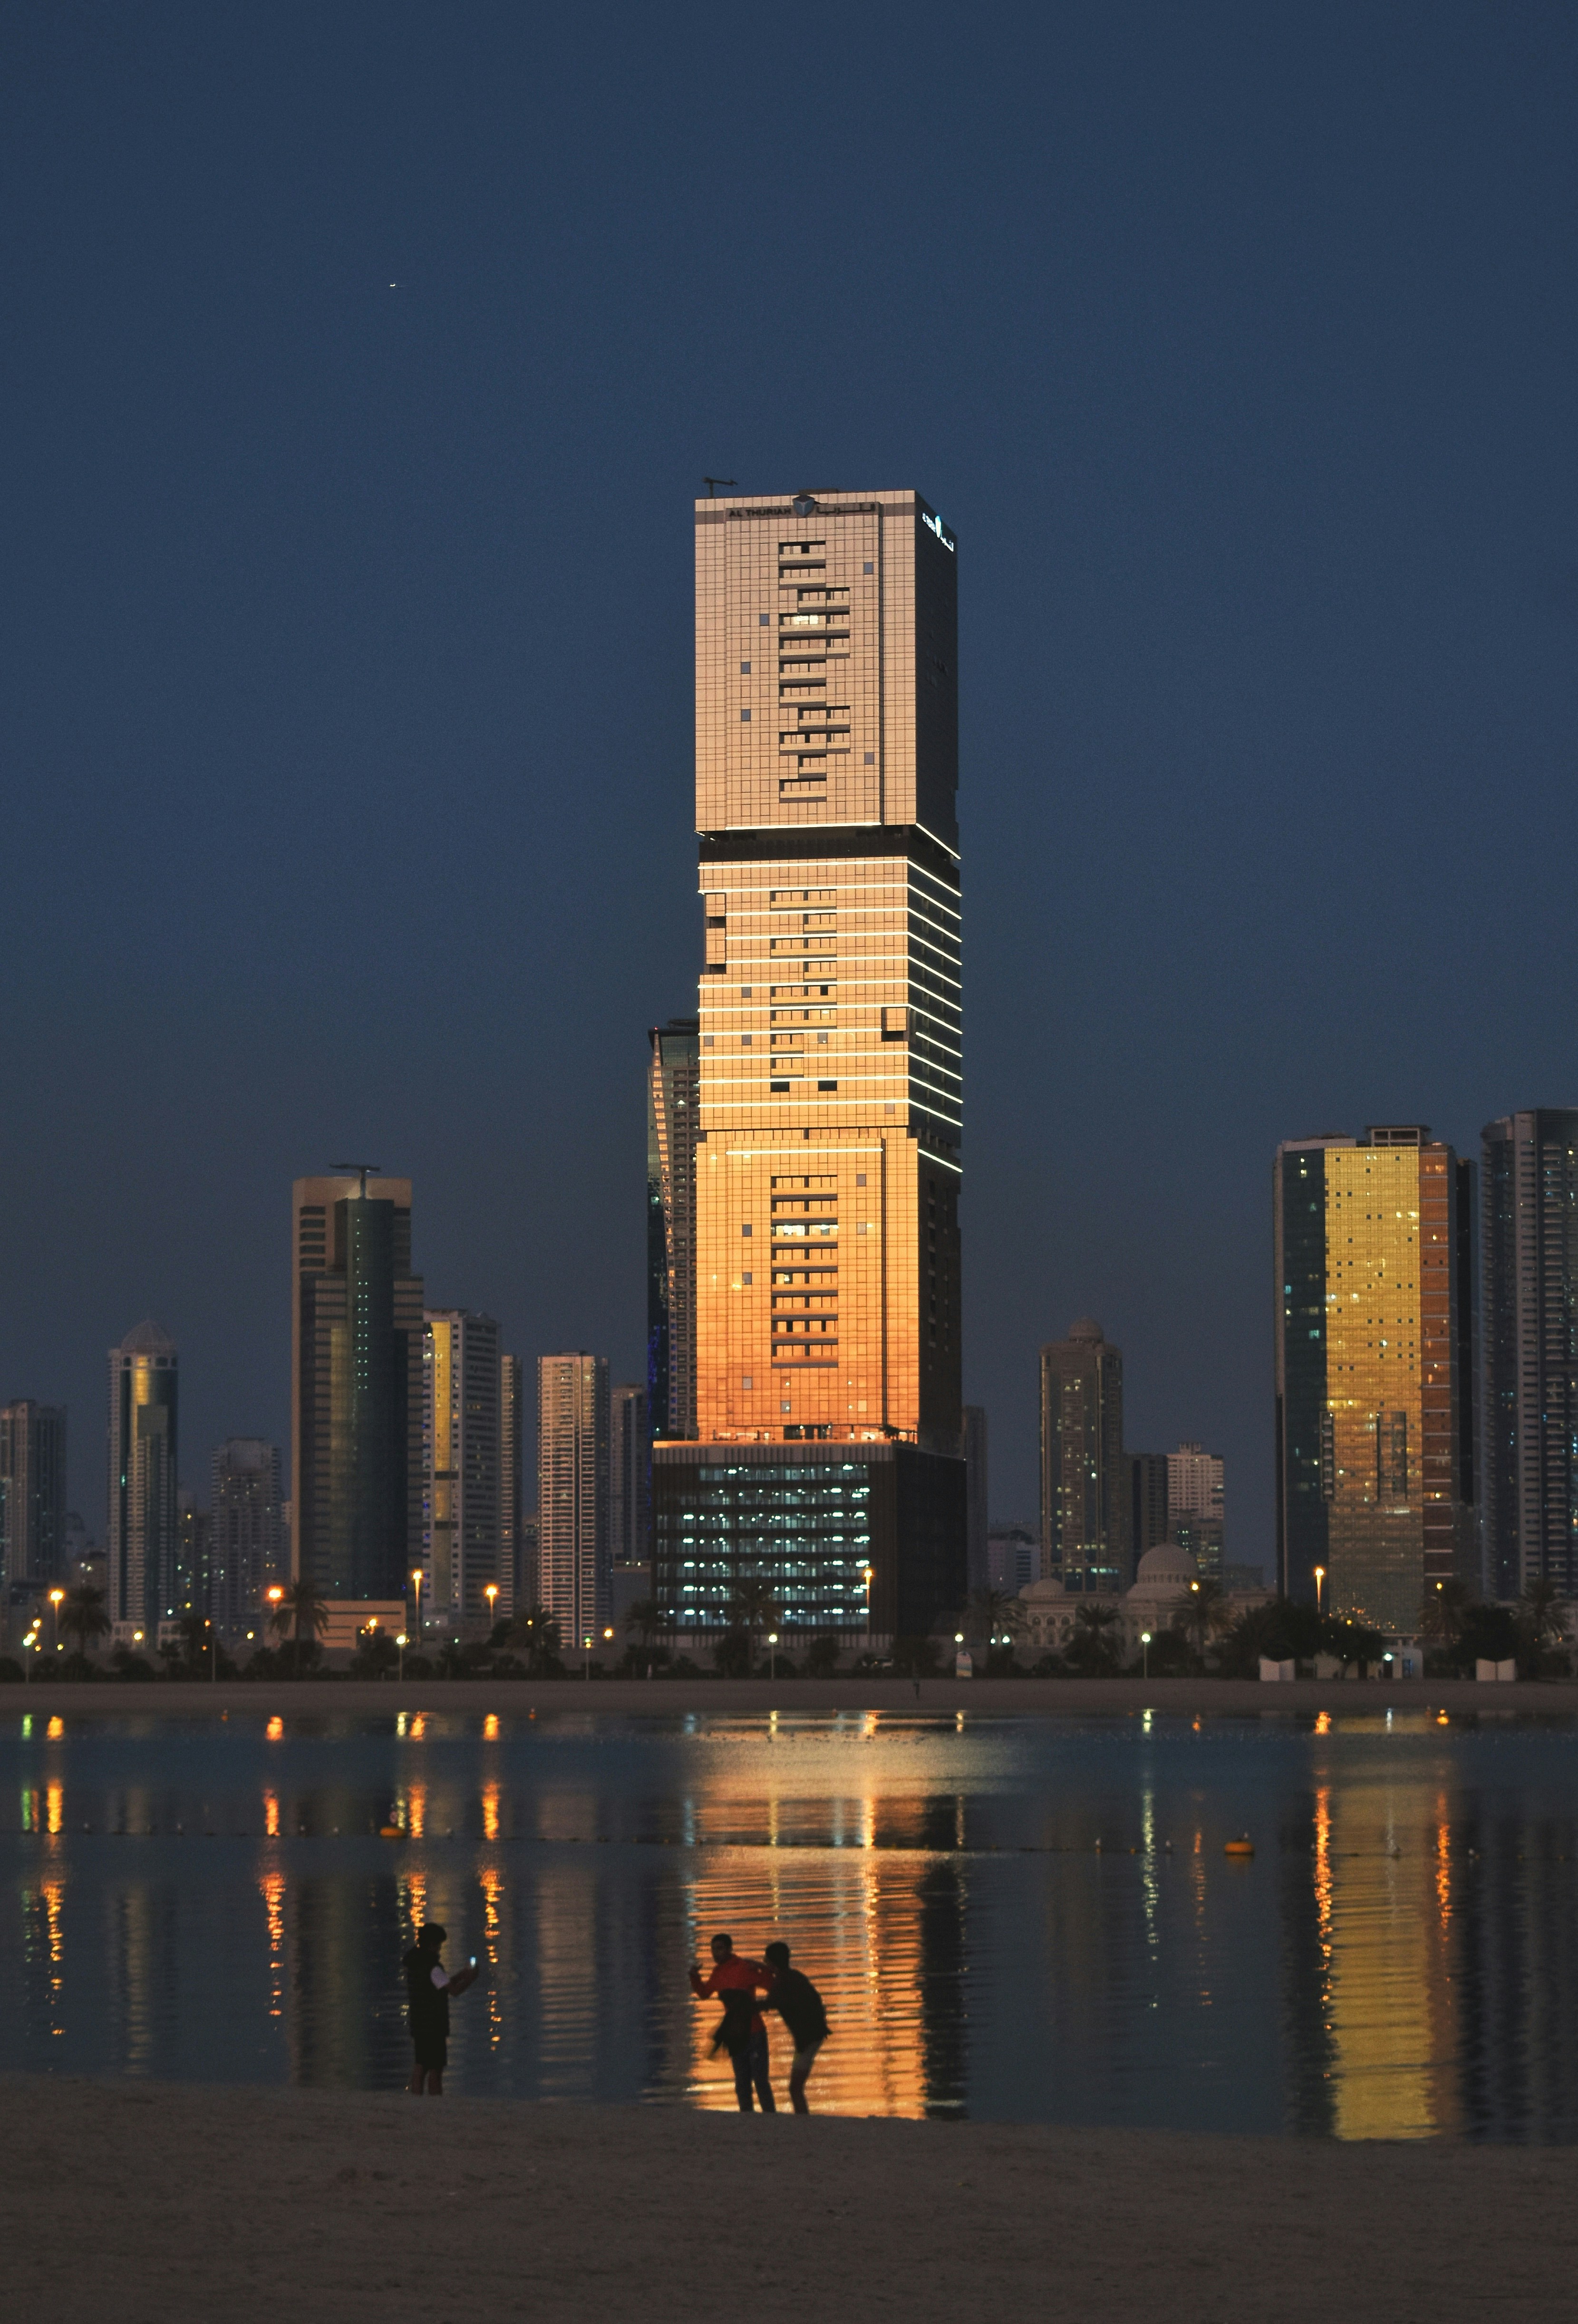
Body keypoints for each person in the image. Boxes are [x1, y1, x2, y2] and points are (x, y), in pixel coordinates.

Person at [689, 1932, 775, 2112]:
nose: (715, 1954)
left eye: (719, 1949)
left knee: (760, 2081)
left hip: (755, 2032)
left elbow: (770, 1985)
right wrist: (695, 1978)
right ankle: (747, 2118)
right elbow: (705, 1993)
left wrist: (763, 1968)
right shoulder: (718, 1974)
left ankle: (770, 2119)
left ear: (729, 1949)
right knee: (742, 2083)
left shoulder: (744, 1968)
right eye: (713, 1950)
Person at [403, 1921, 478, 2095]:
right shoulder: (432, 1967)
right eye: (439, 1945)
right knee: (436, 2068)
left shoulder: (416, 1963)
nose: (440, 1949)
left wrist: (462, 1975)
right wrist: (471, 1978)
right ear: (432, 1944)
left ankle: (416, 2101)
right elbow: (454, 1991)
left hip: (419, 2022)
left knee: (420, 2065)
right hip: (434, 2024)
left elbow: (439, 1984)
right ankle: (435, 2102)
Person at [762, 1940, 829, 2113]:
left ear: (772, 1963)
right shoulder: (796, 1977)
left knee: (795, 2088)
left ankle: (803, 2121)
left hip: (807, 2041)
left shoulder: (781, 1983)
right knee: (796, 2086)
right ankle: (803, 2118)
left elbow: (768, 2004)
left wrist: (743, 2006)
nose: (763, 1962)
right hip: (812, 2037)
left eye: (766, 1960)